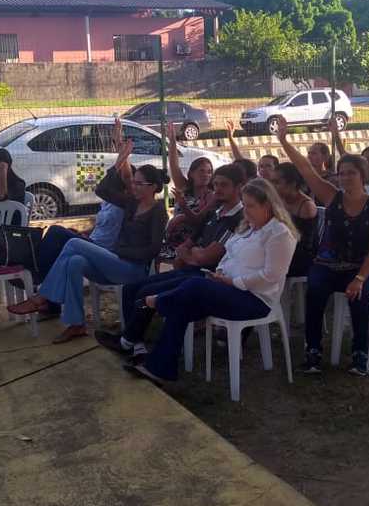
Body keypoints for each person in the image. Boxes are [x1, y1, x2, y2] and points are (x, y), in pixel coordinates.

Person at [122, 178, 298, 385]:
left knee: (194, 285)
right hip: (228, 288)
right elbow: (228, 256)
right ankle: (160, 369)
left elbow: (271, 276)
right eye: (245, 205)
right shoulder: (249, 228)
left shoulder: (279, 234)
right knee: (183, 303)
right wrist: (220, 274)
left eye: (251, 206)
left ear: (267, 205)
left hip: (255, 300)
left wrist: (233, 282)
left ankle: (158, 302)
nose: (246, 211)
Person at [7, 143, 168, 343]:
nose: (133, 186)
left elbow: (153, 249)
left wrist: (123, 251)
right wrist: (118, 162)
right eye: (133, 182)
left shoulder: (158, 211)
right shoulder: (131, 203)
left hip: (133, 269)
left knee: (73, 244)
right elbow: (102, 189)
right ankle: (76, 324)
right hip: (115, 262)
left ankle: (42, 297)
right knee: (74, 261)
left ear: (153, 187)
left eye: (138, 184)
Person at [94, 163, 246, 362]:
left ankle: (128, 343)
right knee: (132, 288)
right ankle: (132, 341)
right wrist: (191, 253)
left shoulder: (237, 218)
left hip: (207, 276)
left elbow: (208, 257)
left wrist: (191, 254)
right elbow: (189, 244)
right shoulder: (214, 212)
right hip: (191, 268)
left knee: (145, 291)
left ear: (239, 187)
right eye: (215, 184)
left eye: (223, 185)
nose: (217, 189)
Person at [276, 126, 369, 376]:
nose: (345, 178)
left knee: (359, 299)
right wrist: (283, 140)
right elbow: (305, 168)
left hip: (360, 267)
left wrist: (360, 279)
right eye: (341, 173)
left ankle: (360, 353)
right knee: (314, 291)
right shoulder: (331, 196)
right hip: (327, 264)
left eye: (351, 173)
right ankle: (313, 351)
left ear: (362, 175)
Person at [161, 121, 215, 261]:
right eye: (201, 171)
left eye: (209, 172)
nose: (206, 175)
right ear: (191, 173)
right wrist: (172, 140)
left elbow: (199, 221)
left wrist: (180, 216)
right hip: (172, 237)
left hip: (190, 243)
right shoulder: (185, 187)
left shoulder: (211, 195)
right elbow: (174, 164)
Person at [270, 162, 319, 277]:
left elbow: (305, 246)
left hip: (299, 257)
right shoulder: (277, 200)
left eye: (276, 182)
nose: (272, 186)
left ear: (292, 184)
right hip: (280, 249)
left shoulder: (307, 206)